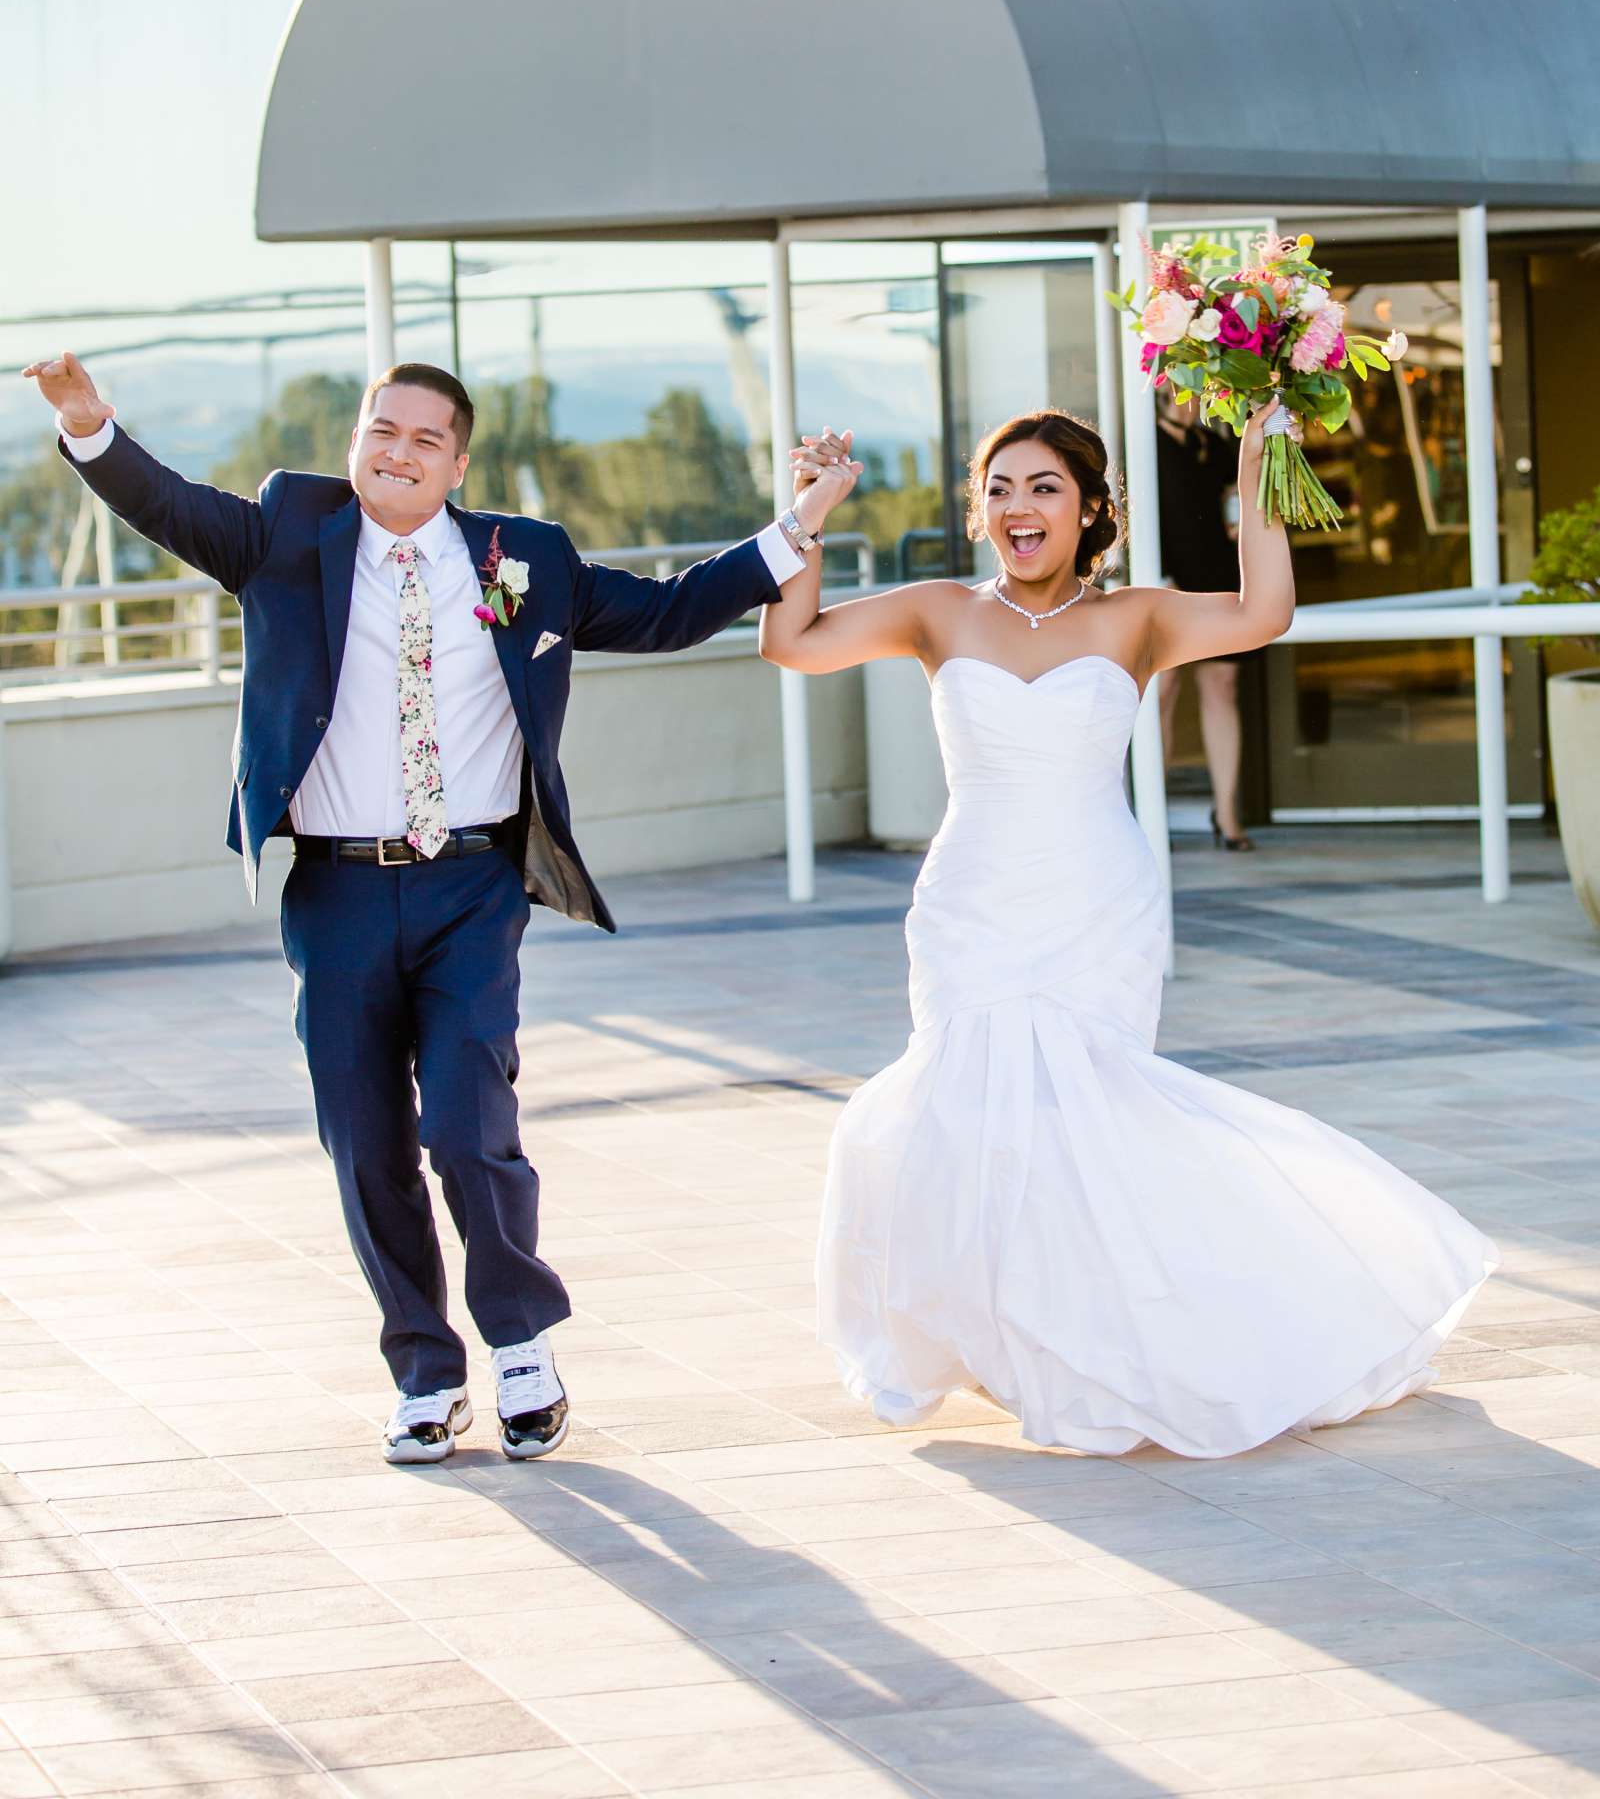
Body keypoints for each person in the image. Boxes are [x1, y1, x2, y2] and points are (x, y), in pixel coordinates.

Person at [23, 351, 859, 1466]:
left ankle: (520, 1343)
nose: (398, 451)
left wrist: (801, 518)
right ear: (356, 440)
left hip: (471, 884)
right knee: (364, 1144)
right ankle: (423, 1369)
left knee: (468, 1125)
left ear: (458, 463)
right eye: (383, 430)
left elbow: (668, 613)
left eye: (426, 438)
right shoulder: (284, 530)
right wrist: (90, 428)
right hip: (336, 888)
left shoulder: (527, 560)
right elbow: (167, 505)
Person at [761, 408, 1495, 1457]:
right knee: (969, 1108)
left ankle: (1121, 1339)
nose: (1021, 506)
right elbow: (788, 642)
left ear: (1091, 510)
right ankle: (1014, 1340)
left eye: (1045, 487)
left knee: (1087, 1109)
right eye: (1001, 488)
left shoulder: (1136, 618)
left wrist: (1253, 472)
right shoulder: (936, 613)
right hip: (972, 898)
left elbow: (1266, 611)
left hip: (1094, 899)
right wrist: (809, 518)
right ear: (980, 511)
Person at [1155, 394, 1255, 848]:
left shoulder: (1210, 445)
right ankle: (1150, 814)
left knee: (1222, 688)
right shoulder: (1146, 444)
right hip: (1166, 584)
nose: (1193, 401)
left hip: (1217, 578)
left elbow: (1236, 498)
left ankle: (1228, 814)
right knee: (1162, 692)